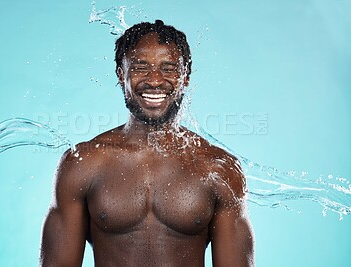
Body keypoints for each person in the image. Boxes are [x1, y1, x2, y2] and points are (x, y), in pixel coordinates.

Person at [40, 20, 254, 267]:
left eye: (169, 68)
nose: (155, 80)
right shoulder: (82, 164)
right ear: (122, 75)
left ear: (185, 78)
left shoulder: (219, 169)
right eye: (141, 67)